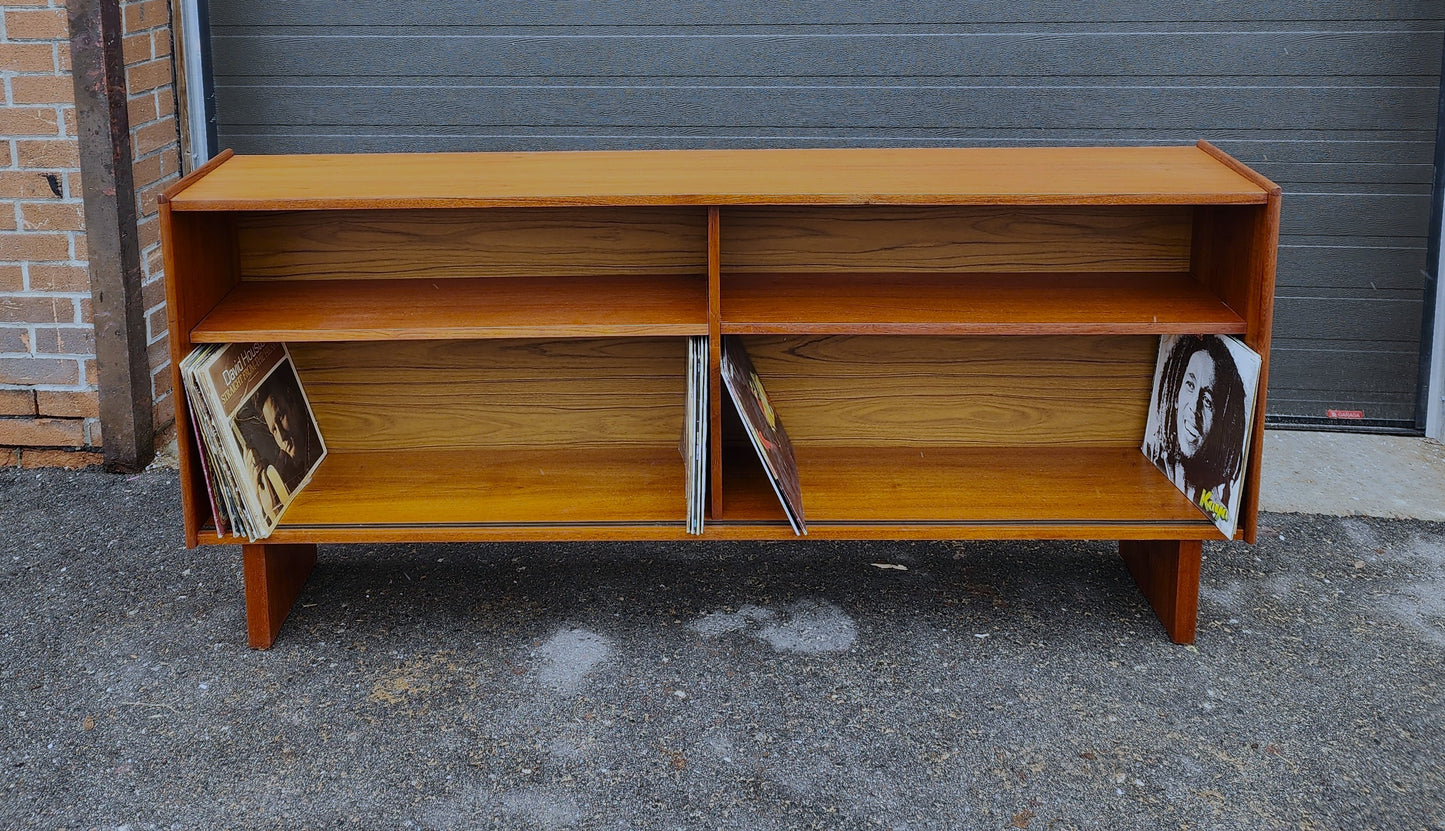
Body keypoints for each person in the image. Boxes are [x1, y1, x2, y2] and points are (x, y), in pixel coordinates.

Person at [1145, 335, 1249, 516]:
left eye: (1207, 400)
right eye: (1190, 385)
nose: (1194, 407)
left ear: (1221, 421)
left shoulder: (1219, 505)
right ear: (1176, 395)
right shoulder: (1153, 458)